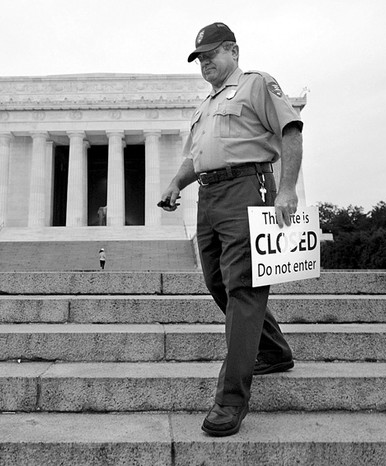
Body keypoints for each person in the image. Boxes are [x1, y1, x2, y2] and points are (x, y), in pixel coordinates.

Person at [159, 22, 302, 437]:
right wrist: (175, 184)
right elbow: (197, 155)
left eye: (211, 55)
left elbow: (290, 130)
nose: (205, 63)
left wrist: (287, 188)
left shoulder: (257, 84)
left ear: (233, 51)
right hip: (210, 196)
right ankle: (273, 350)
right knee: (217, 281)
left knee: (243, 286)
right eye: (199, 58)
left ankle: (230, 400)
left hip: (248, 188)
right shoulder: (204, 106)